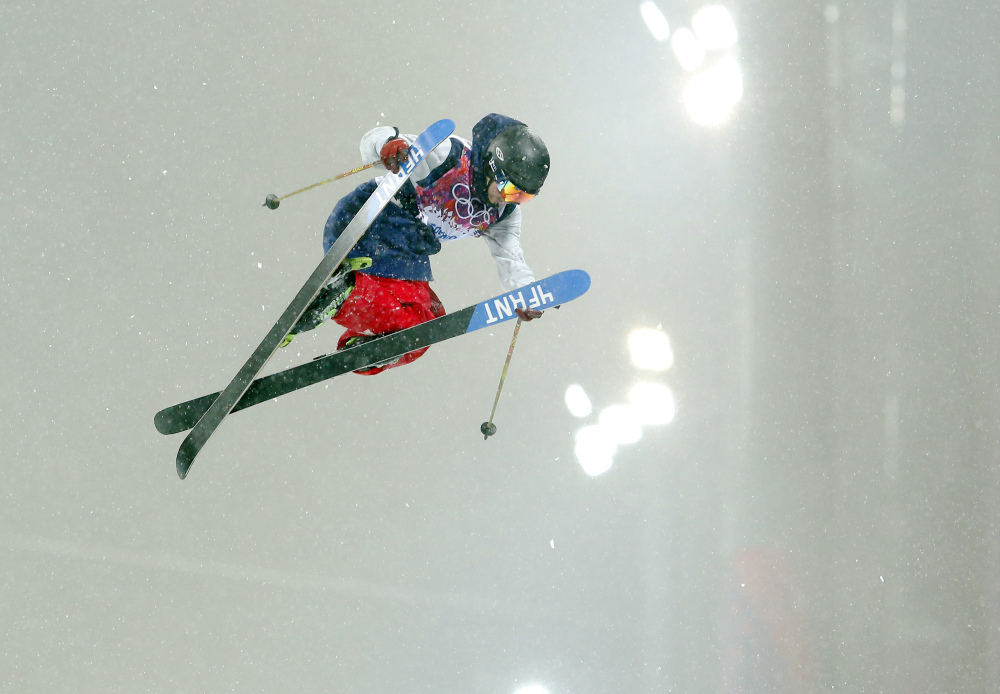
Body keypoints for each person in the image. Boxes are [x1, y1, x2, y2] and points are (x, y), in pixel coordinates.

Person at [280, 113, 551, 375]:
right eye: (510, 190)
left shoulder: (504, 215)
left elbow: (511, 260)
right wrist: (387, 145)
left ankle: (359, 333)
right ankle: (345, 296)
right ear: (493, 167)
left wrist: (525, 292)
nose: (511, 200)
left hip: (406, 249)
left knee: (426, 325)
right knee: (420, 324)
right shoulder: (449, 155)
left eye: (524, 197)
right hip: (373, 219)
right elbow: (372, 143)